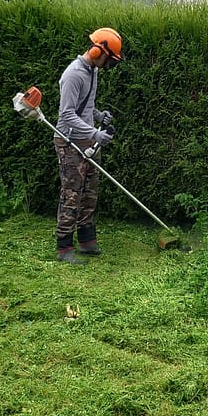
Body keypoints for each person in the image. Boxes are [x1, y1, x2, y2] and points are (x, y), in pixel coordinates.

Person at [54, 27, 124, 264]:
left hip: (87, 138)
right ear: (97, 51)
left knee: (90, 191)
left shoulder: (92, 71)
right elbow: (66, 115)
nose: (108, 65)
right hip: (69, 140)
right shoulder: (74, 74)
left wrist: (98, 115)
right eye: (109, 60)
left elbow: (83, 107)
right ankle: (64, 247)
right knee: (72, 193)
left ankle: (86, 240)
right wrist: (94, 132)